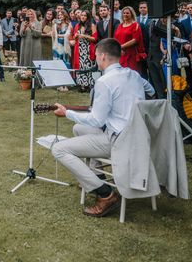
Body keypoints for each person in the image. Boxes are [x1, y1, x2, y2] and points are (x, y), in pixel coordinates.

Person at [51, 38, 155, 217]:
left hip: (119, 141)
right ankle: (95, 176)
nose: (95, 59)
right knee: (78, 129)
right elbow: (151, 91)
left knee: (58, 149)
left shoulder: (104, 81)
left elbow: (96, 120)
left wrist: (66, 112)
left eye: (96, 55)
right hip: (138, 137)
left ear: (104, 56)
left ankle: (105, 194)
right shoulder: (134, 75)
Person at [70, 10, 97, 92]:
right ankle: (82, 85)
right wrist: (75, 36)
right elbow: (74, 38)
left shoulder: (92, 25)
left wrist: (84, 36)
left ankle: (89, 85)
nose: (83, 17)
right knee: (80, 66)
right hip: (79, 49)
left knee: (88, 66)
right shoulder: (77, 26)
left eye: (85, 15)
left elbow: (94, 39)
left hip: (88, 49)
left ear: (88, 17)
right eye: (82, 15)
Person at [113, 6, 145, 72]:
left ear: (131, 14)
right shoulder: (120, 26)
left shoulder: (135, 25)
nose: (125, 14)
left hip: (131, 54)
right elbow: (115, 38)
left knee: (131, 74)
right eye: (124, 13)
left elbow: (135, 40)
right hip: (120, 54)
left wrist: (121, 47)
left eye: (127, 13)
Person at [179, 2, 192, 94]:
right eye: (188, 8)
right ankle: (190, 92)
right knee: (188, 72)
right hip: (187, 50)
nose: (189, 10)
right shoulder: (183, 22)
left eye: (191, 8)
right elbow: (182, 35)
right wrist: (186, 44)